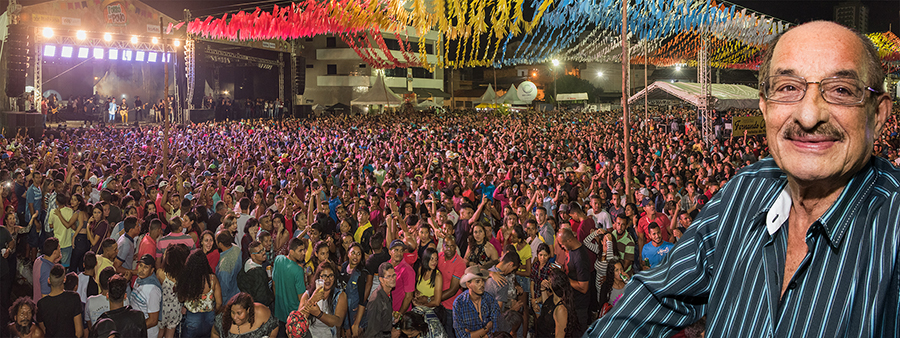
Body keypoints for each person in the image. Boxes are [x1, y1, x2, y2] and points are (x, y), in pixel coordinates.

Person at [585, 21, 900, 337]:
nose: (808, 116)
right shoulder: (744, 191)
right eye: (788, 88)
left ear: (879, 112)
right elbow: (654, 298)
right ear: (764, 107)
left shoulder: (892, 226)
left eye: (841, 90)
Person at [176, 250, 223, 338]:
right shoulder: (212, 279)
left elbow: (181, 298)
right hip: (209, 318)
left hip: (192, 319)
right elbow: (219, 302)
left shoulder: (187, 279)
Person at [555, 228, 591, 337]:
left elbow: (583, 287)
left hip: (579, 305)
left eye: (562, 244)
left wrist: (565, 278)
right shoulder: (572, 250)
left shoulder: (580, 258)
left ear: (569, 240)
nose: (561, 247)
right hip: (572, 301)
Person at [297, 261, 347, 338]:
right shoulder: (308, 294)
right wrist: (311, 300)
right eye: (324, 276)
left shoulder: (340, 295)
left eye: (331, 276)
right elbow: (298, 321)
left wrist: (319, 314)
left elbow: (338, 322)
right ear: (318, 278)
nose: (328, 279)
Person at [36, 264, 83, 338]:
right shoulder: (74, 297)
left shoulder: (41, 304)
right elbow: (79, 333)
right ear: (64, 279)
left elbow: (43, 330)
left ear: (49, 280)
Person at [452, 265, 500, 338]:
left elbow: (496, 327)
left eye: (482, 281)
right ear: (468, 285)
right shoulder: (459, 303)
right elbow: (461, 335)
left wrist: (472, 334)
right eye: (477, 281)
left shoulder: (489, 299)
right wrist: (486, 329)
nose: (482, 284)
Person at [483, 249, 522, 335]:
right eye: (513, 269)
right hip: (492, 325)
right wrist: (512, 310)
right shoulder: (502, 282)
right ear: (510, 264)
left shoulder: (488, 270)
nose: (511, 271)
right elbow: (497, 313)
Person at [273, 237, 308, 331]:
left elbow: (274, 283)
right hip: (293, 316)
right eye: (300, 251)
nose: (303, 253)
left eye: (304, 250)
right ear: (291, 252)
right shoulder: (298, 271)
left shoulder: (278, 259)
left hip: (279, 312)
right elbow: (302, 298)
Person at [533, 268, 579, 338]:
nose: (547, 281)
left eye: (549, 280)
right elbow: (547, 304)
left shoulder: (561, 309)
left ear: (555, 284)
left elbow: (559, 336)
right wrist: (543, 289)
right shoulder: (554, 296)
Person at [411, 248, 446, 338]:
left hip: (431, 313)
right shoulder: (420, 270)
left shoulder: (437, 276)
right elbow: (416, 286)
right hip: (419, 312)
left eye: (436, 259)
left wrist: (421, 304)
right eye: (431, 259)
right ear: (426, 259)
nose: (434, 262)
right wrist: (416, 291)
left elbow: (437, 302)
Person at [156, 244, 189, 338]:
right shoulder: (183, 276)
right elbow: (183, 296)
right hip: (175, 309)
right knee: (170, 334)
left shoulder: (161, 273)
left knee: (160, 333)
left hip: (162, 309)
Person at [436, 235, 466, 338]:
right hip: (439, 304)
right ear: (443, 246)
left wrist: (434, 299)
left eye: (452, 246)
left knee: (450, 334)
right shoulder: (438, 257)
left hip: (451, 307)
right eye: (446, 246)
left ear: (456, 247)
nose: (449, 249)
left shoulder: (460, 263)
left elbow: (453, 290)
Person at [212, 293, 279, 338]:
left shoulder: (261, 312)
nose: (235, 317)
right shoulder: (223, 318)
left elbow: (275, 326)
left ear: (248, 310)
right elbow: (214, 333)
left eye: (239, 313)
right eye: (232, 312)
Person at [340, 243, 370, 338]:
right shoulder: (344, 267)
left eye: (358, 254)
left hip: (355, 315)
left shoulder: (361, 274)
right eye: (353, 253)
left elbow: (362, 301)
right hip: (343, 314)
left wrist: (356, 324)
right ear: (348, 254)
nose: (355, 256)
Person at [362, 262, 396, 338]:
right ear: (381, 279)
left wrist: (392, 318)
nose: (392, 279)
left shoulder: (388, 293)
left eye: (394, 275)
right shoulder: (376, 301)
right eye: (389, 277)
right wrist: (390, 335)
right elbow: (371, 334)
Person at [130, 255, 161, 338]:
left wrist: (135, 329)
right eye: (140, 265)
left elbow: (153, 320)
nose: (142, 270)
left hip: (147, 333)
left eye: (146, 267)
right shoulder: (139, 280)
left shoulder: (153, 290)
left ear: (152, 270)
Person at [238, 240, 274, 307]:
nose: (263, 252)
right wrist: (272, 298)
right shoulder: (259, 273)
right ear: (253, 256)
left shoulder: (247, 262)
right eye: (259, 252)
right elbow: (262, 298)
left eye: (263, 249)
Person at [389, 240, 415, 314]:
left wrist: (399, 314)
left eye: (401, 250)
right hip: (387, 312)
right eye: (396, 250)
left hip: (401, 313)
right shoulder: (386, 266)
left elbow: (409, 296)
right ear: (390, 252)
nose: (399, 253)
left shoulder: (408, 270)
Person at [216, 230, 243, 302]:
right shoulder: (236, 248)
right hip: (238, 291)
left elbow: (223, 289)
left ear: (221, 244)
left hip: (229, 298)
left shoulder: (224, 264)